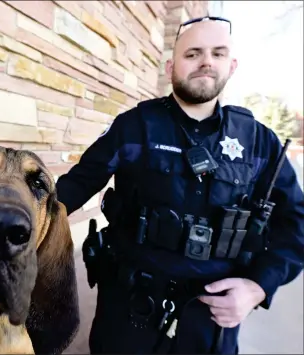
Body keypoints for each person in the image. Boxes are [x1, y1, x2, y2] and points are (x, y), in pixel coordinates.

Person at [56, 16, 304, 354]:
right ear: (173, 65)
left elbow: (295, 224)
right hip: (129, 310)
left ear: (231, 65)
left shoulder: (260, 143)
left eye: (217, 54)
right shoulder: (134, 127)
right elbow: (70, 191)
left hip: (211, 318)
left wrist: (258, 287)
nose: (205, 61)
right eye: (193, 54)